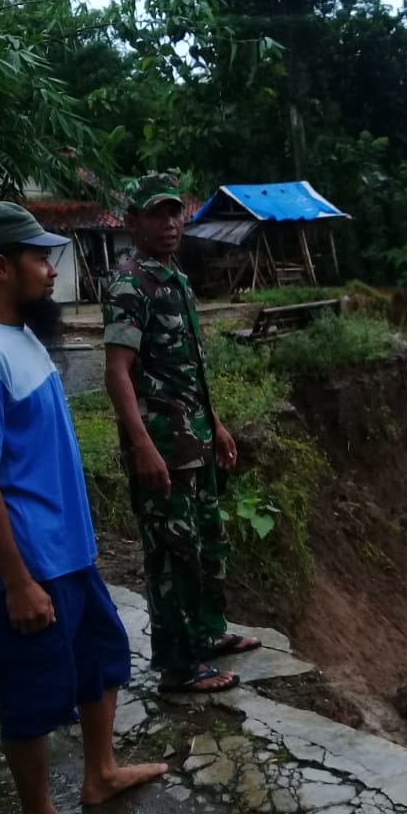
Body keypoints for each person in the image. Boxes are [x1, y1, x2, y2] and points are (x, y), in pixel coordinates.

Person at [0, 201, 166, 814]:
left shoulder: (22, 338)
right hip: (30, 563)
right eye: (40, 258)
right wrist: (15, 581)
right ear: (3, 265)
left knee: (100, 658)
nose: (50, 268)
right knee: (33, 692)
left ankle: (100, 774)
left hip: (69, 549)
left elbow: (12, 455)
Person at [103, 173, 260, 696]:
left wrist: (215, 425)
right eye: (156, 214)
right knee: (172, 555)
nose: (169, 223)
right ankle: (177, 665)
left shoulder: (177, 279)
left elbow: (190, 367)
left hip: (195, 442)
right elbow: (117, 372)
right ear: (133, 222)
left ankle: (208, 635)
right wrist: (143, 446)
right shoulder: (131, 284)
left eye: (174, 212)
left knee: (207, 543)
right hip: (162, 449)